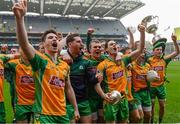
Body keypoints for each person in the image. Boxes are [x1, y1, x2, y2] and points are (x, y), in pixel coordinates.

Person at [12, 0, 79, 123]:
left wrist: (75, 108)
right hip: (44, 115)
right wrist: (20, 19)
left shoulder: (64, 65)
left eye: (56, 38)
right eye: (50, 38)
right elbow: (24, 44)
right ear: (43, 44)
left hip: (62, 114)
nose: (54, 39)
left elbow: (68, 88)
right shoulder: (40, 61)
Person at [95, 23, 146, 123]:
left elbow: (140, 49)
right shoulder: (102, 65)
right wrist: (103, 95)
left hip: (123, 98)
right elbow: (96, 83)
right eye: (111, 44)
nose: (114, 45)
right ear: (106, 49)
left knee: (124, 121)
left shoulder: (124, 60)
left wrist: (142, 33)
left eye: (115, 44)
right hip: (111, 99)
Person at [148, 34, 180, 123]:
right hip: (151, 87)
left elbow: (177, 52)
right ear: (153, 51)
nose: (159, 51)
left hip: (161, 87)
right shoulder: (149, 60)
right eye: (157, 50)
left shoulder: (164, 60)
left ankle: (160, 122)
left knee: (162, 106)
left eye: (161, 50)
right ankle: (151, 122)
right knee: (152, 106)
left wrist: (174, 41)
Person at [5, 48, 35, 123]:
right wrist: (14, 56)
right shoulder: (14, 63)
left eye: (27, 48)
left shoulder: (37, 64)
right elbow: (2, 61)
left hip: (36, 102)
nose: (26, 50)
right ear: (19, 51)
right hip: (21, 103)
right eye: (23, 48)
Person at [131, 50, 152, 123]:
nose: (142, 55)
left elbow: (149, 79)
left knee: (148, 115)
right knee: (139, 116)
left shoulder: (147, 66)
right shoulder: (131, 65)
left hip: (146, 93)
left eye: (143, 53)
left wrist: (154, 78)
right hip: (136, 93)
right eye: (140, 53)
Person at [0, 53, 20, 123]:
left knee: (2, 120)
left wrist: (25, 53)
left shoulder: (2, 59)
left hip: (0, 99)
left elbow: (14, 55)